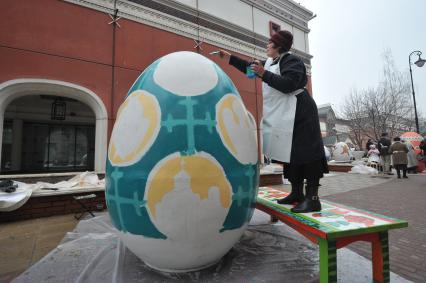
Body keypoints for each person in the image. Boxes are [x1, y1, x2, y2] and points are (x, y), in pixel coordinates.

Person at [217, 30, 328, 213]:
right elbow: (251, 68)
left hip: (301, 112)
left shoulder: (292, 61)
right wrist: (229, 58)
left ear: (279, 46)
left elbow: (289, 84)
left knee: (307, 154)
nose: (267, 46)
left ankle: (313, 198)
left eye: (270, 43)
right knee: (290, 154)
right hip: (286, 113)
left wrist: (263, 74)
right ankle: (296, 193)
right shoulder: (270, 62)